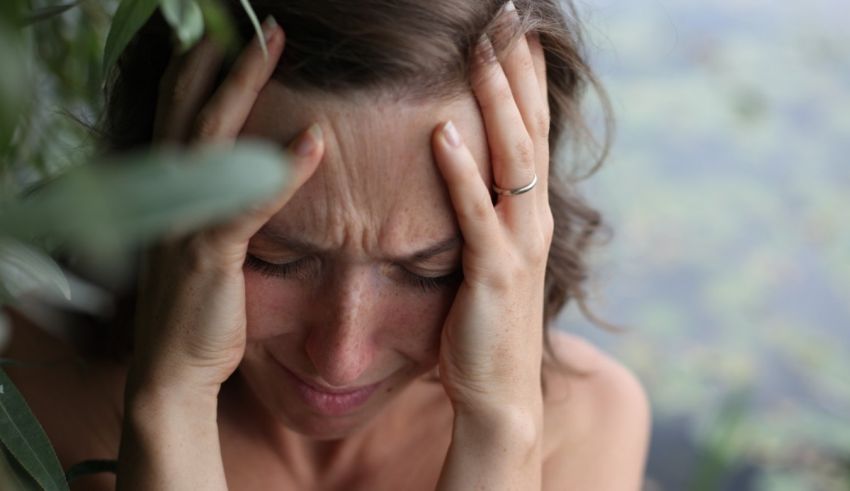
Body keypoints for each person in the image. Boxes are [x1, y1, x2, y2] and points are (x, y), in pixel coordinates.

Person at [2, 0, 650, 489]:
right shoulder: (27, 390)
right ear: (162, 198)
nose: (339, 358)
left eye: (429, 271)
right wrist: (171, 404)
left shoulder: (584, 428)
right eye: (274, 258)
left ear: (523, 239)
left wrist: (502, 433)